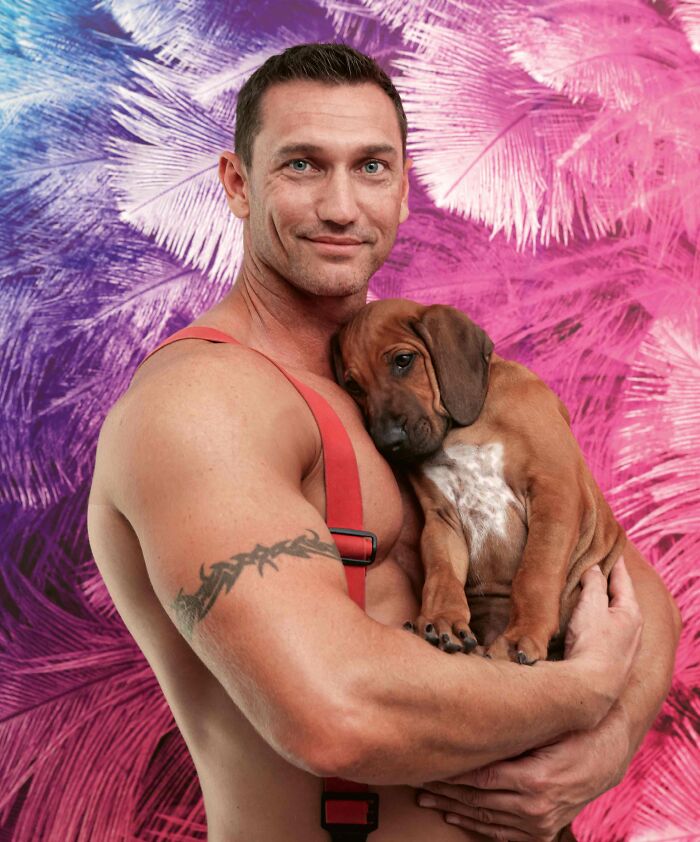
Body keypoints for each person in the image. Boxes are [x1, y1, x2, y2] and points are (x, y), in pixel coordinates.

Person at [88, 43, 681, 842]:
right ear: (237, 183)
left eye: (371, 167)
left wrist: (606, 745)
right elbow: (338, 713)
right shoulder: (207, 404)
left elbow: (625, 578)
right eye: (302, 166)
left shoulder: (431, 370)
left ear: (404, 191)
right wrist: (588, 690)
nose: (341, 205)